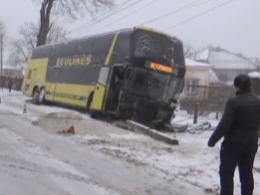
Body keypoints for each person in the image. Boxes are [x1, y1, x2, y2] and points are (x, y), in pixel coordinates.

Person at [208, 74, 260, 195]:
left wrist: (213, 140)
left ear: (236, 86)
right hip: (251, 143)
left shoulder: (234, 102)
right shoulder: (258, 102)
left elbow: (224, 124)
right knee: (246, 172)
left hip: (233, 143)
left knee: (226, 172)